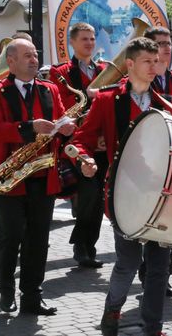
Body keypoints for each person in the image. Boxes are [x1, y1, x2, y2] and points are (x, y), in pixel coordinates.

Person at [69, 37, 172, 336]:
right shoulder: (107, 101)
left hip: (160, 195)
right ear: (130, 64)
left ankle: (153, 327)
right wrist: (84, 160)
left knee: (158, 267)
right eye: (148, 61)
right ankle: (113, 309)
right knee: (128, 262)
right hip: (123, 194)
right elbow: (80, 139)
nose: (155, 67)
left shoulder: (167, 103)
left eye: (157, 61)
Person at [0, 38, 76, 315]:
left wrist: (66, 128)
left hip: (43, 174)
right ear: (10, 62)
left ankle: (32, 297)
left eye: (35, 55)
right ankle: (6, 291)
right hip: (10, 178)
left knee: (38, 239)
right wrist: (29, 127)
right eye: (27, 56)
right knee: (11, 237)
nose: (34, 60)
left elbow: (59, 123)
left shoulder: (49, 89)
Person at [137, 26, 172, 298]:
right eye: (159, 44)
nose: (166, 48)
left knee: (169, 219)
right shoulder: (138, 80)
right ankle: (147, 272)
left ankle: (161, 275)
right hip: (145, 162)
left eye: (168, 43)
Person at [50, 22, 107, 268]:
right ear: (72, 43)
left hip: (103, 143)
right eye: (84, 39)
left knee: (98, 199)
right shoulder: (60, 71)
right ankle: (82, 245)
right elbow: (61, 107)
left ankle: (88, 245)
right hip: (78, 143)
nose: (90, 43)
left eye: (92, 38)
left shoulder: (106, 70)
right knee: (88, 194)